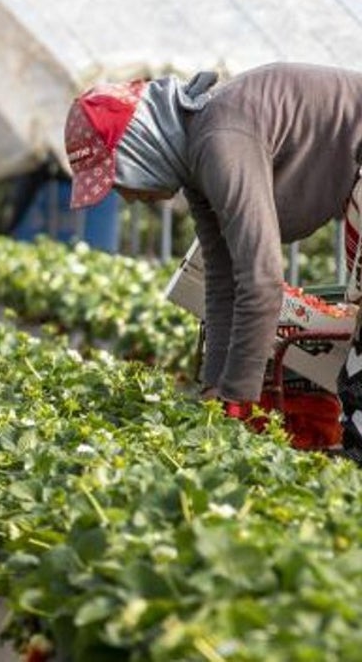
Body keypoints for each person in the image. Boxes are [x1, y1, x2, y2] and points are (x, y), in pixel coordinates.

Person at [64, 63, 362, 451]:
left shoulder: (220, 139)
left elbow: (261, 281)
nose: (127, 196)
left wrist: (236, 401)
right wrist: (214, 389)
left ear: (141, 149)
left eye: (120, 179)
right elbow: (222, 282)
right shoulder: (198, 159)